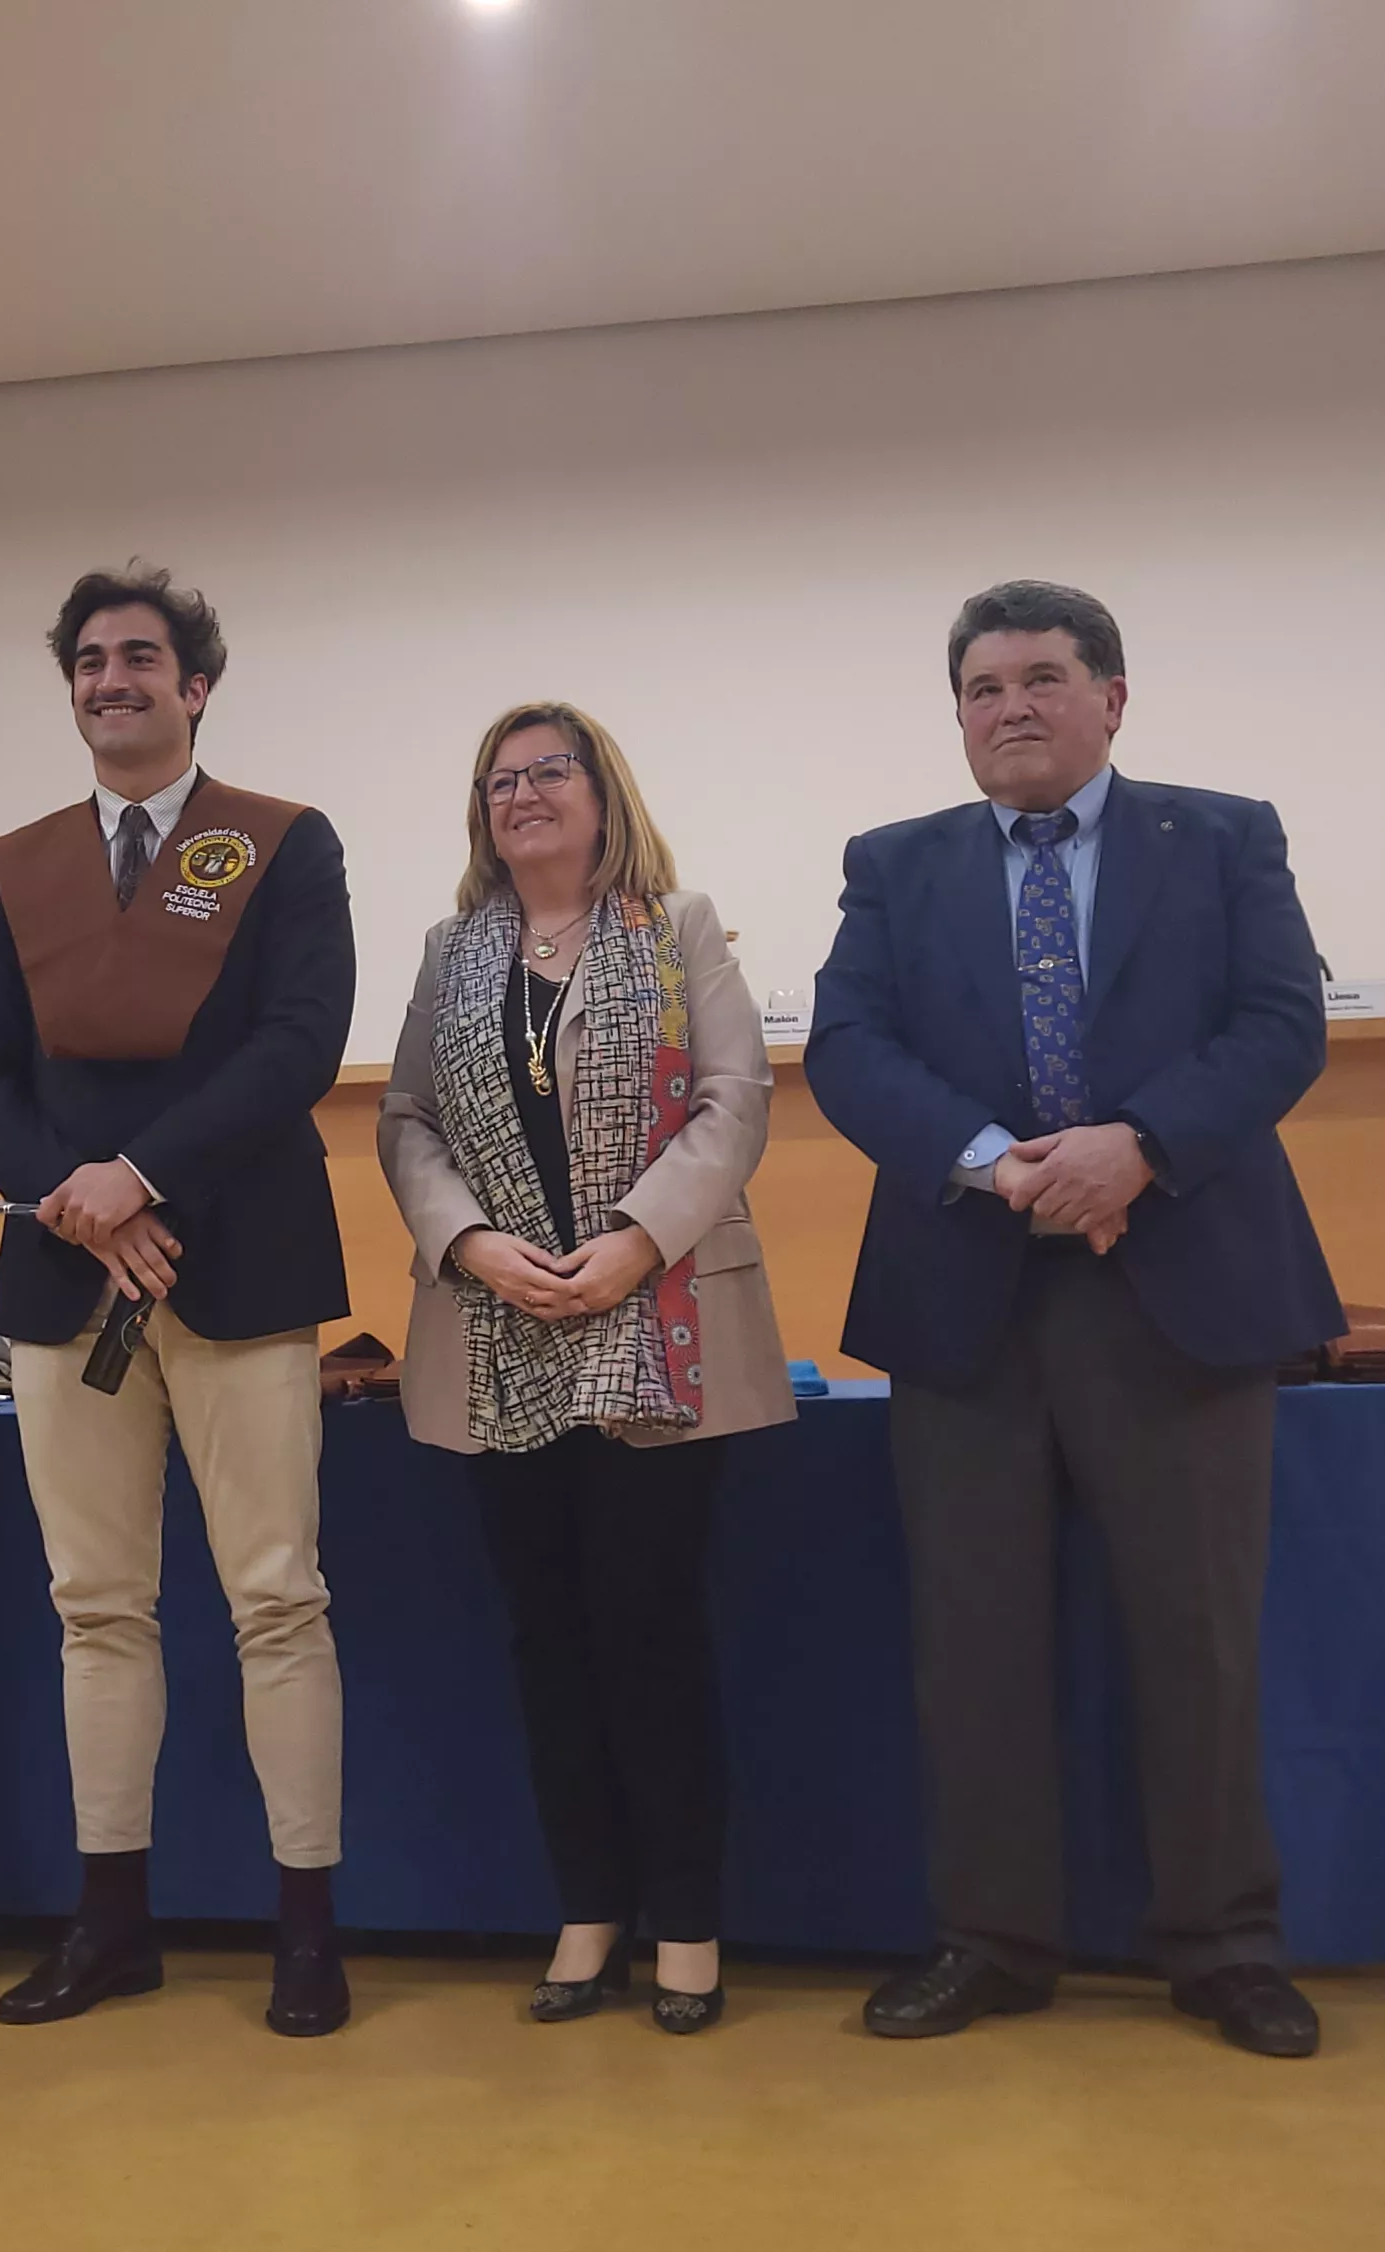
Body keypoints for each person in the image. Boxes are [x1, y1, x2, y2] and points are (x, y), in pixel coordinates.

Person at [808, 580, 1342, 2060]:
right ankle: (992, 1941)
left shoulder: (1224, 835)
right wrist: (999, 1167)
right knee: (974, 1645)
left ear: (1114, 697)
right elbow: (851, 1049)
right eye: (983, 688)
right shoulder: (896, 867)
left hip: (1181, 1290)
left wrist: (1141, 1149)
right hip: (967, 1300)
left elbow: (1279, 1024)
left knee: (1198, 1637)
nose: (1012, 707)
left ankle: (1225, 1947)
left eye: (1043, 678)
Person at [0, 564, 360, 2037]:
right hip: (65, 1275)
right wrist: (75, 1192)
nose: (111, 678)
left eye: (141, 657)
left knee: (275, 1601)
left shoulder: (284, 845)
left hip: (238, 1262)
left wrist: (140, 1175)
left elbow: (305, 1039)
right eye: (90, 660)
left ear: (197, 686)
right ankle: (108, 1924)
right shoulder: (16, 863)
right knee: (96, 1609)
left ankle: (305, 1927)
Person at [376, 703, 790, 2036]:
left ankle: (686, 1920)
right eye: (500, 780)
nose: (523, 794)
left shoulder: (679, 930)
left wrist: (635, 1240)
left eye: (549, 771)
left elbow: (737, 1101)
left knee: (650, 1637)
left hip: (656, 1327)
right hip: (502, 1337)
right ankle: (587, 1908)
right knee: (547, 1643)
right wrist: (470, 1242)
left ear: (604, 795)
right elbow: (407, 1122)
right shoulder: (455, 952)